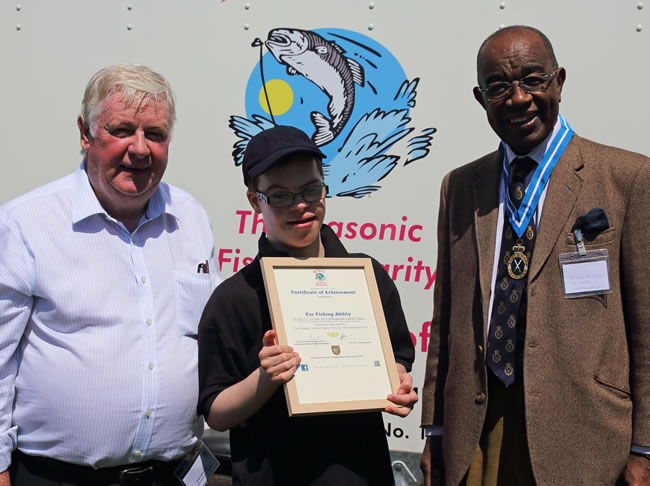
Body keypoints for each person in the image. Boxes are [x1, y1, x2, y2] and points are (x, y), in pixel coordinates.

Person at [420, 25, 649, 486]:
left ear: (558, 81)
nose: (518, 98)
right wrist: (436, 427)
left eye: (532, 79)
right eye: (499, 86)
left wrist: (645, 448)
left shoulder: (627, 178)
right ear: (480, 98)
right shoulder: (461, 187)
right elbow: (446, 319)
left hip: (585, 435)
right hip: (478, 429)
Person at [0, 64, 221, 486]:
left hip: (172, 475)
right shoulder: (25, 226)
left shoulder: (191, 219)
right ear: (85, 134)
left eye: (154, 134)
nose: (140, 149)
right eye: (122, 129)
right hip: (57, 478)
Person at [198, 125, 418, 485]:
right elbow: (216, 414)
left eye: (311, 189)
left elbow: (396, 361)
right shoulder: (233, 298)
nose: (300, 205)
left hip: (364, 474)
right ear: (255, 200)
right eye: (280, 196)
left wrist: (397, 384)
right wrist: (265, 379)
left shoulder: (366, 277)